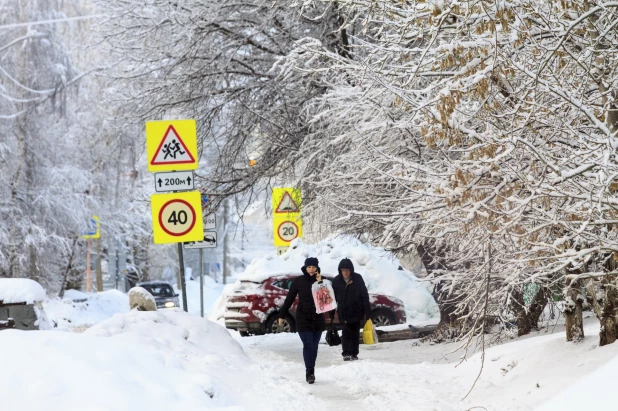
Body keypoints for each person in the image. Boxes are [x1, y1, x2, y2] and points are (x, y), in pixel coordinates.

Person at [278, 257, 328, 384]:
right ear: (305, 267)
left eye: (313, 267)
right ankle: (309, 371)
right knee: (308, 344)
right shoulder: (299, 281)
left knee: (315, 346)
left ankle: (312, 370)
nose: (311, 269)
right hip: (303, 317)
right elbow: (289, 299)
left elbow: (326, 300)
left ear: (317, 268)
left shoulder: (323, 281)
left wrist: (320, 282)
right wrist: (281, 315)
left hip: (317, 317)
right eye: (309, 267)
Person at [330, 258, 371, 361]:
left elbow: (364, 296)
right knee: (345, 332)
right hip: (343, 311)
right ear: (340, 270)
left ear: (351, 270)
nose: (346, 273)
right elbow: (332, 297)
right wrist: (331, 312)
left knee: (355, 333)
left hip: (356, 311)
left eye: (347, 270)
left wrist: (367, 312)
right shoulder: (336, 281)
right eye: (343, 270)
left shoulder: (357, 279)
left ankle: (354, 353)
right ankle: (346, 353)